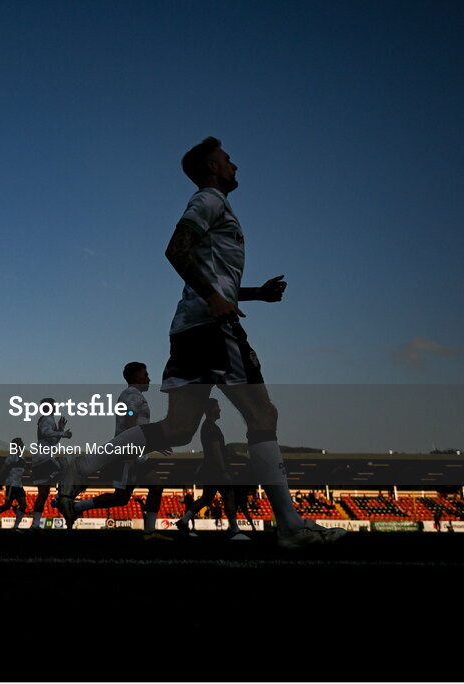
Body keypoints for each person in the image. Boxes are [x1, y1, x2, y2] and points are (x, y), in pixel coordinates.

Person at [61, 137, 345, 549]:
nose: (236, 165)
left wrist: (251, 294)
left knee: (177, 429)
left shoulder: (215, 206)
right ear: (212, 168)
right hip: (212, 327)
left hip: (190, 327)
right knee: (263, 415)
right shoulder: (209, 200)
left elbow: (211, 277)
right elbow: (175, 250)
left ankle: (82, 466)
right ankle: (290, 525)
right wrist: (216, 300)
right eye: (228, 160)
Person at [62, 362, 170, 540]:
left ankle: (149, 532)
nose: (149, 378)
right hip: (129, 454)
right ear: (136, 377)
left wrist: (154, 443)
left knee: (142, 491)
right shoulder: (132, 395)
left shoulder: (133, 395)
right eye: (145, 374)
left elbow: (137, 425)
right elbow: (130, 421)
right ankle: (75, 508)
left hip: (136, 452)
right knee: (126, 496)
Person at [176, 399, 254, 539]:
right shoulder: (211, 427)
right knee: (228, 496)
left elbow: (211, 452)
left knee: (206, 498)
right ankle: (234, 529)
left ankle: (184, 521)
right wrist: (224, 471)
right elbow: (215, 450)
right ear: (212, 409)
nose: (220, 410)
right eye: (218, 407)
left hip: (212, 469)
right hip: (217, 470)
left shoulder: (207, 426)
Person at [28, 399, 71, 533]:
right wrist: (62, 433)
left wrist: (60, 429)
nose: (55, 406)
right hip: (44, 458)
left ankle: (35, 525)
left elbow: (52, 441)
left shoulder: (48, 419)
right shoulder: (47, 419)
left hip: (40, 459)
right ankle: (58, 499)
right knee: (67, 467)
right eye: (53, 404)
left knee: (43, 494)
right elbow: (46, 432)